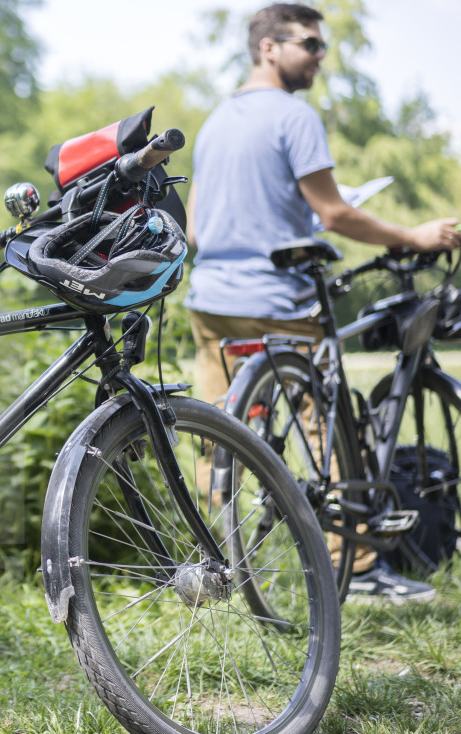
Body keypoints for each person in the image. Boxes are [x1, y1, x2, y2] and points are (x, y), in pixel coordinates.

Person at [184, 2, 461, 602]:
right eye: (310, 44)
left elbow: (196, 229)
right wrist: (413, 235)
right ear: (269, 48)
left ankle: (219, 564)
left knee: (216, 430)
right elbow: (334, 212)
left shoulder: (214, 121)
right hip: (278, 300)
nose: (319, 57)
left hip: (211, 299)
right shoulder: (293, 116)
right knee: (330, 427)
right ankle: (356, 568)